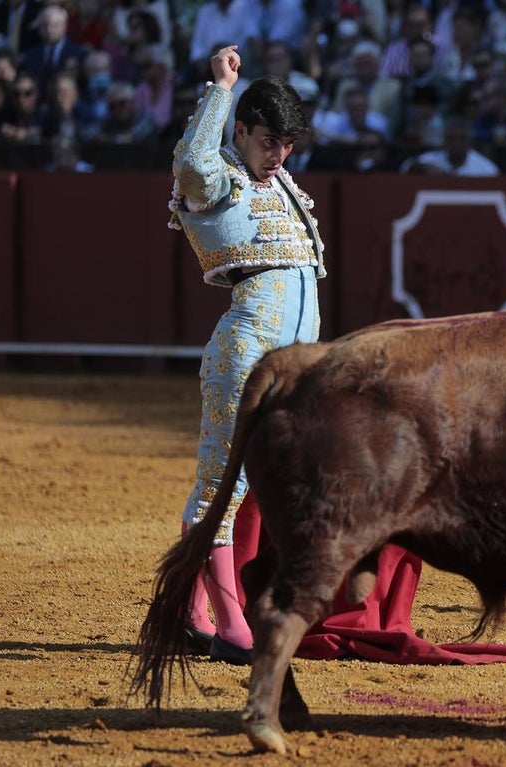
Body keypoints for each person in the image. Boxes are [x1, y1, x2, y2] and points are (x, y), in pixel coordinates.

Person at [168, 44, 327, 664]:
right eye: (268, 141)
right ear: (241, 130)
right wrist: (221, 86)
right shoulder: (220, 177)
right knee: (220, 488)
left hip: (297, 359)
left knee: (272, 482)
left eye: (287, 144)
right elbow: (190, 163)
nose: (278, 155)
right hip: (245, 350)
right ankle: (230, 616)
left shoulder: (279, 180)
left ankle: (193, 606)